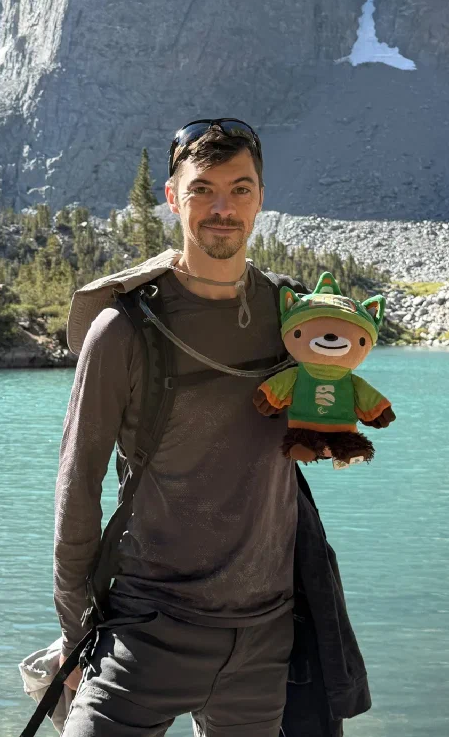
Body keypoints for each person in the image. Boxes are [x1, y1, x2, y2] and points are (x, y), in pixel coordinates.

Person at [53, 118, 394, 736]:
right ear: (172, 198)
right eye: (203, 188)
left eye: (240, 189)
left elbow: (333, 390)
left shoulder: (292, 316)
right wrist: (76, 631)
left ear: (261, 197)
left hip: (265, 639)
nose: (222, 208)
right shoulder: (125, 327)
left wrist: (340, 433)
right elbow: (79, 486)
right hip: (144, 632)